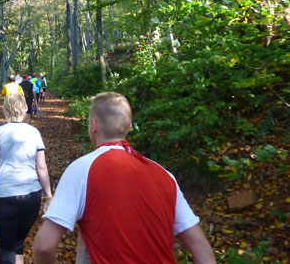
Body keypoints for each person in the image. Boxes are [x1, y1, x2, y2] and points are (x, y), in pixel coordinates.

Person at [33, 92, 216, 264]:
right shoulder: (164, 174)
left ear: (93, 126)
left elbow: (44, 247)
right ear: (129, 127)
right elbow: (202, 248)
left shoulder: (81, 170)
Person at [0, 93, 52, 264]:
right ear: (25, 108)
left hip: (6, 197)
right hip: (31, 196)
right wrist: (48, 195)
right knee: (18, 244)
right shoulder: (34, 132)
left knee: (6, 248)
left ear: (5, 109)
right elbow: (41, 167)